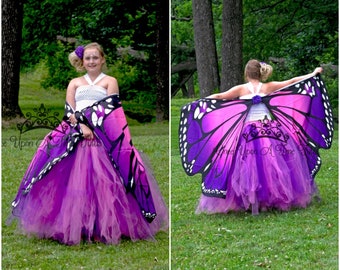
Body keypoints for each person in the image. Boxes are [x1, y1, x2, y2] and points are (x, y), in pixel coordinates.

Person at [8, 42, 168, 245]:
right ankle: (74, 224)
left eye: (95, 57)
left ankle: (103, 225)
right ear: (82, 62)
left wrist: (97, 128)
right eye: (88, 58)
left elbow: (113, 111)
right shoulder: (75, 83)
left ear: (102, 60)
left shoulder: (110, 81)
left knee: (105, 182)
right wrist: (83, 127)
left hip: (104, 135)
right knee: (72, 181)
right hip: (76, 132)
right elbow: (69, 111)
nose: (92, 61)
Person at [179, 59, 334, 215]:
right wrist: (312, 74)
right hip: (270, 130)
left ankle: (250, 200)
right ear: (260, 72)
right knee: (274, 164)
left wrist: (199, 102)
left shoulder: (240, 89)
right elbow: (293, 81)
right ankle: (275, 197)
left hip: (248, 133)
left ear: (246, 73)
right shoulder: (268, 87)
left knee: (248, 166)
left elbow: (219, 96)